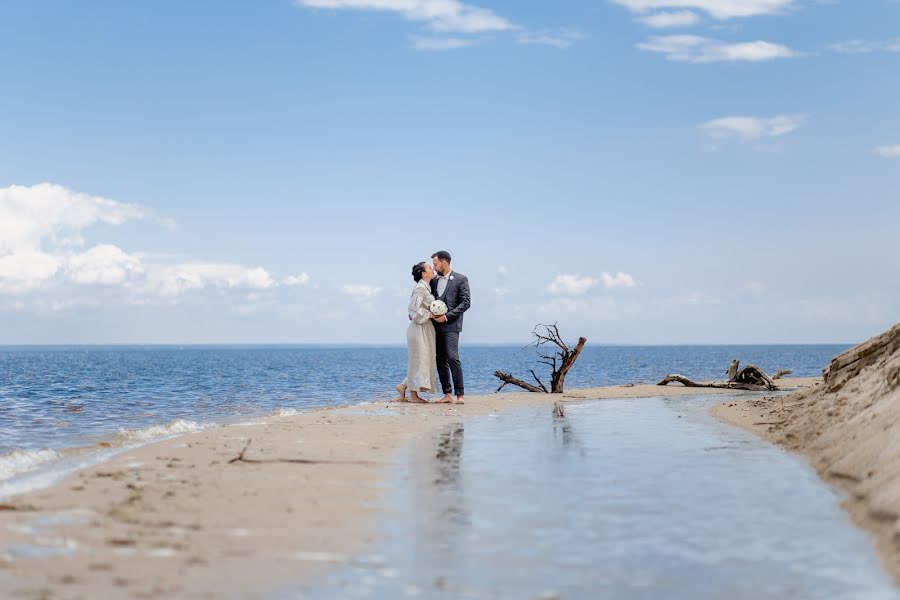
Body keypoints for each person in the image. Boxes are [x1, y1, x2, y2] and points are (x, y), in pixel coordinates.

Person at [430, 251, 471, 404]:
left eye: (435, 264)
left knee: (452, 357)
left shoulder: (461, 279)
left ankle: (460, 395)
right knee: (440, 360)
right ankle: (447, 394)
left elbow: (465, 303)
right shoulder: (434, 281)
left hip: (452, 325)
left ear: (444, 262)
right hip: (435, 326)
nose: (434, 268)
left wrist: (446, 317)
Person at [396, 262, 438, 403]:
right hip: (419, 328)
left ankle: (403, 387)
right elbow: (413, 310)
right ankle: (413, 396)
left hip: (424, 328)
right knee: (418, 360)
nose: (432, 269)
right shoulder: (420, 288)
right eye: (429, 268)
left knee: (422, 360)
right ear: (423, 273)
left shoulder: (426, 287)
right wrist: (432, 315)